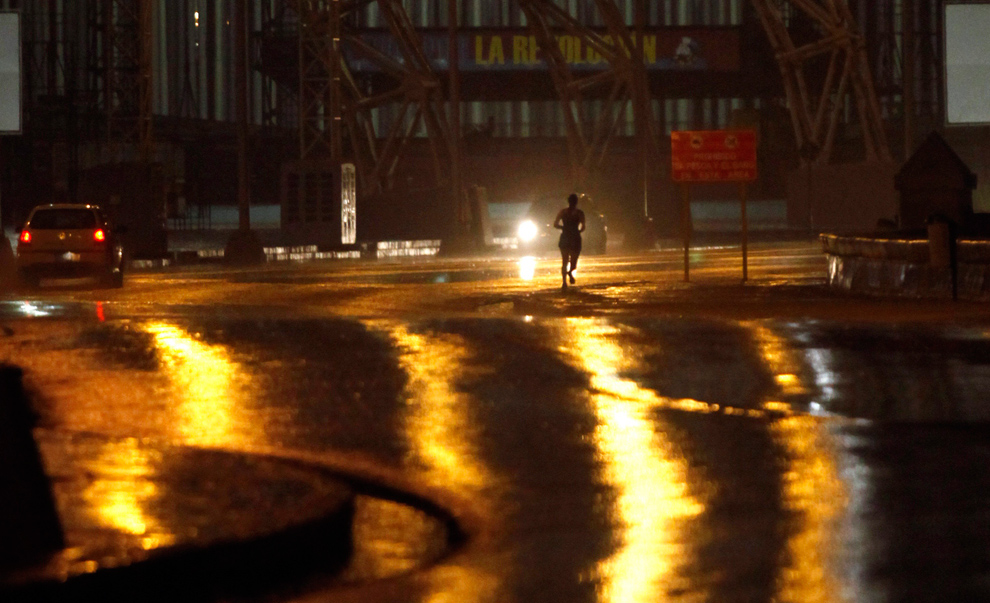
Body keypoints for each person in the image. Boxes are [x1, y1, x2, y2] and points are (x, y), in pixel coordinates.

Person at [554, 193, 586, 288]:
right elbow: (583, 227)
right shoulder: (579, 213)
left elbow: (555, 224)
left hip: (565, 237)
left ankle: (565, 280)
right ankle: (568, 275)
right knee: (573, 261)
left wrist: (563, 228)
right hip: (574, 238)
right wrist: (578, 231)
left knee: (565, 261)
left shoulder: (563, 212)